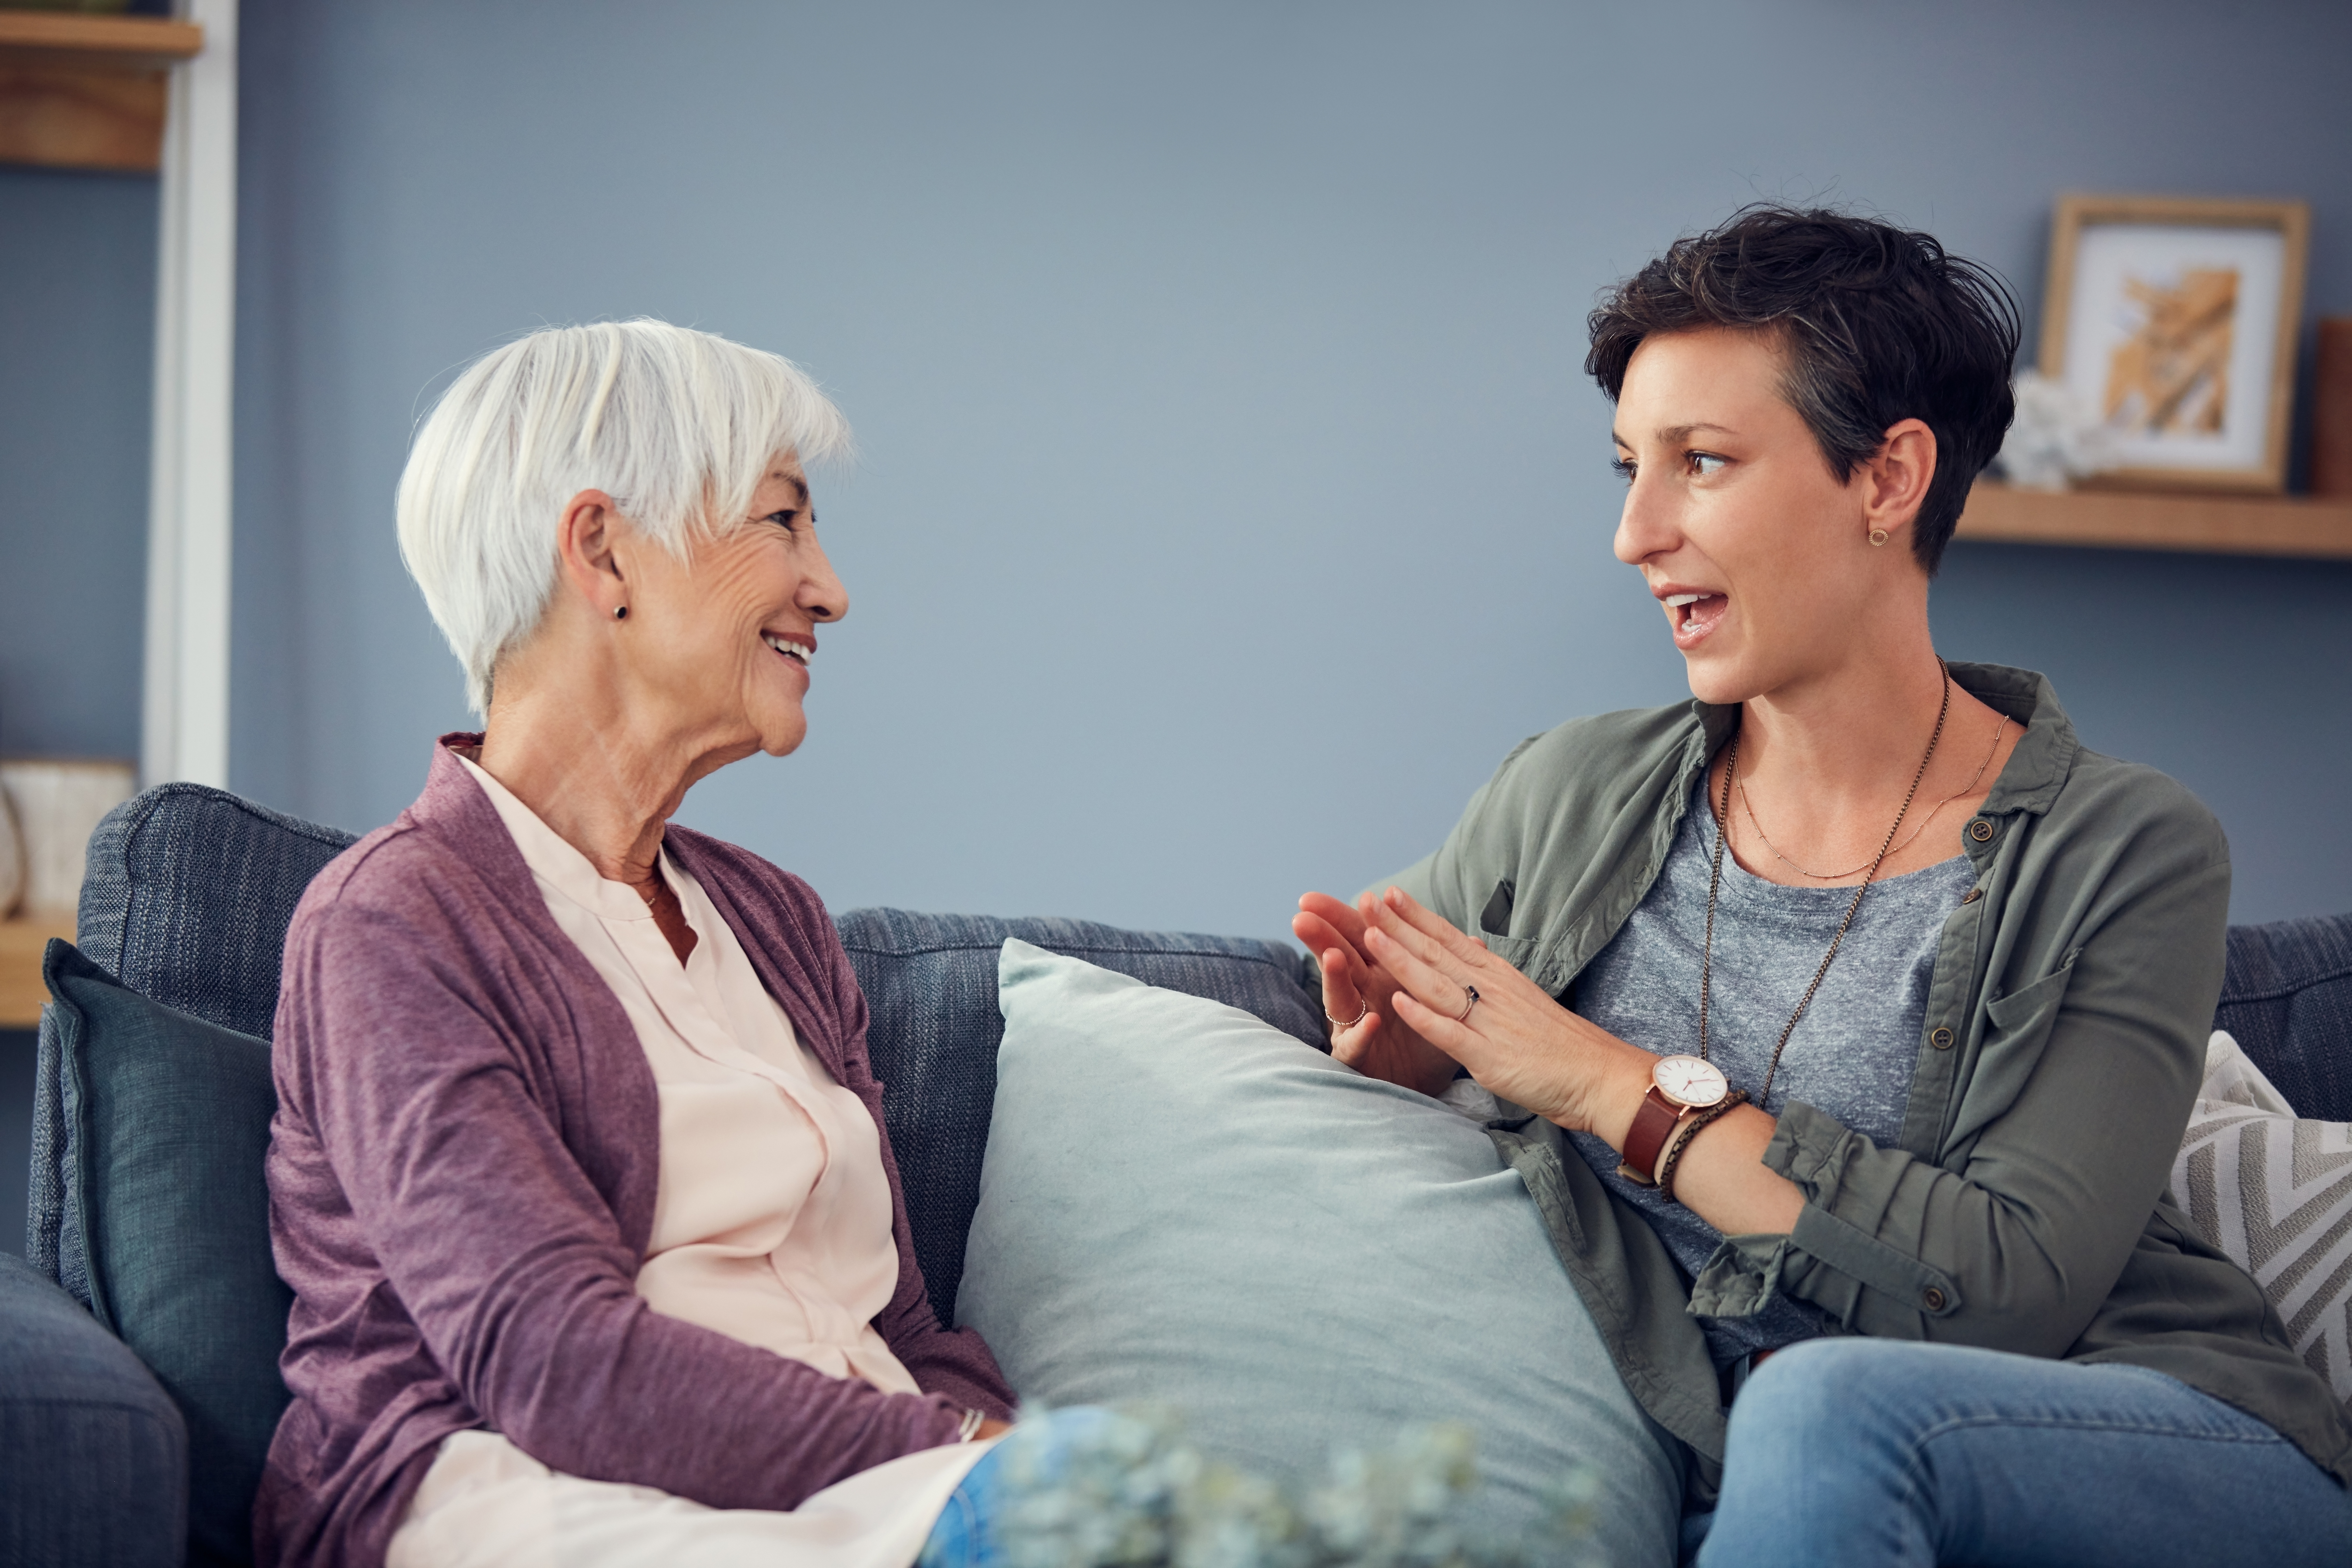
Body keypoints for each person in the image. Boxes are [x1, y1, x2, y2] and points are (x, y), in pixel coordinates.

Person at [1293, 207, 2352, 1566]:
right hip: (1758, 1481)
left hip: (2140, 1437)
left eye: (1704, 463)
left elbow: (2007, 1291)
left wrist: (1605, 1082)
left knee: (1823, 1409)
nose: (1634, 531)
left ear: (1888, 477)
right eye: (1628, 467)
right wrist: (1395, 1068)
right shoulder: (1567, 791)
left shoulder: (2125, 847)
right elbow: (1361, 998)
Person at [259, 321, 1080, 1568]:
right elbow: (551, 1358)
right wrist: (970, 1465)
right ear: (604, 553)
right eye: (783, 523)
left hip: (871, 1492)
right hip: (535, 1497)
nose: (830, 589)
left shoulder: (776, 925)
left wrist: (1040, 1470)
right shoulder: (395, 921)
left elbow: (904, 1327)